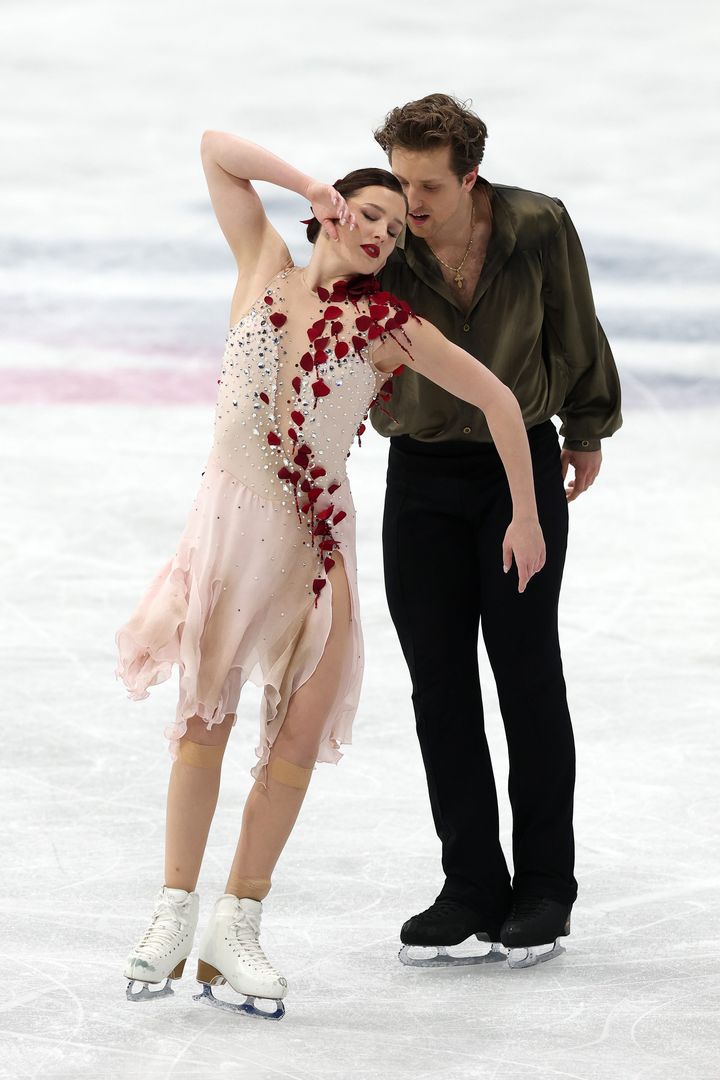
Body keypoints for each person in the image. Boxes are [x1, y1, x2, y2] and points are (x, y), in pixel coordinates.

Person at [115, 130, 546, 1017]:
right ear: (333, 215)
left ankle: (237, 928)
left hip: (315, 553)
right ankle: (172, 913)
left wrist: (527, 514)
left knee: (294, 743)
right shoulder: (263, 264)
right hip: (230, 535)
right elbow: (216, 150)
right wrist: (308, 182)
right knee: (203, 722)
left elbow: (501, 401)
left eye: (395, 226)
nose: (384, 232)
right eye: (370, 213)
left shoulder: (389, 328)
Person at [372, 93, 622, 968]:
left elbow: (576, 322)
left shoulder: (537, 224)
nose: (410, 201)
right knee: (439, 688)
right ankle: (471, 884)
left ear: (471, 177)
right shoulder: (384, 235)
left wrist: (587, 428)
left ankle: (546, 885)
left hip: (519, 474)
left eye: (428, 185)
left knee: (526, 673)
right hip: (420, 480)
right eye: (400, 180)